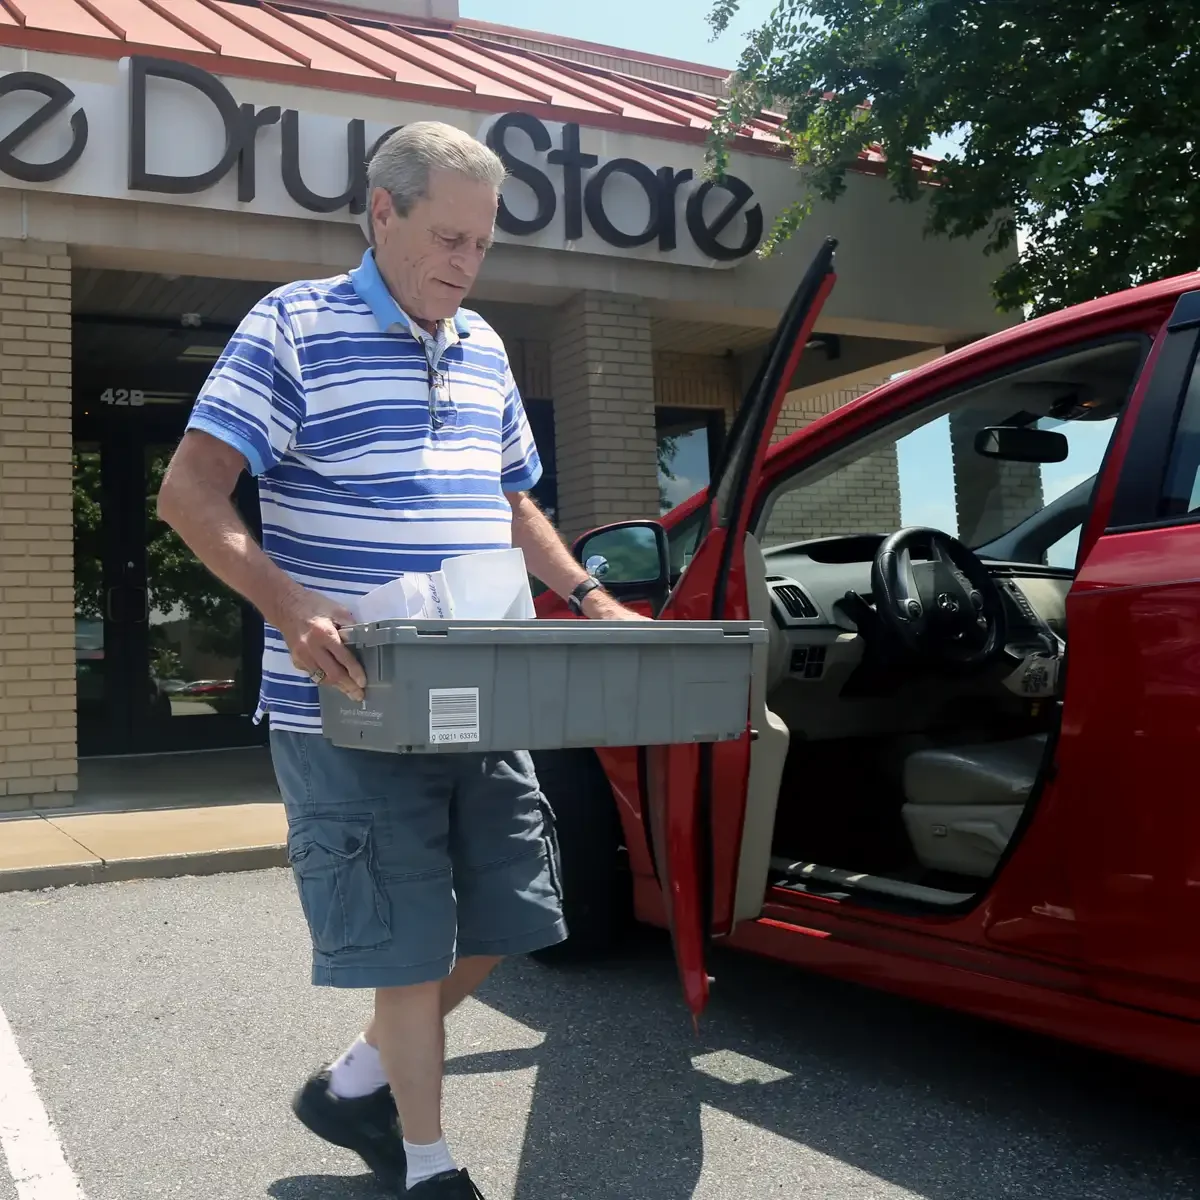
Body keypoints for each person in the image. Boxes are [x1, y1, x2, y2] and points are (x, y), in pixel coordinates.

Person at [157, 121, 644, 1197]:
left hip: (478, 688)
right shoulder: (291, 326)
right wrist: (287, 606)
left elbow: (517, 500)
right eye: (448, 237)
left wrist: (592, 595)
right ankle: (427, 1164)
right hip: (349, 700)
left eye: (482, 244)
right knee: (409, 942)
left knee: (522, 904)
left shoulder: (485, 348)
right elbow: (189, 493)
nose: (466, 264)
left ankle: (354, 1085)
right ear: (382, 214)